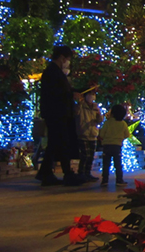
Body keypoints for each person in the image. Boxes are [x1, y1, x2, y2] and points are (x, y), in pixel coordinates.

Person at [37, 46, 83, 186]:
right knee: (61, 142)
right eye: (68, 59)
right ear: (62, 57)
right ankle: (66, 174)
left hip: (58, 113)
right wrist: (71, 95)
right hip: (56, 113)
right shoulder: (52, 72)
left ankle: (46, 173)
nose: (68, 62)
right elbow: (56, 93)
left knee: (56, 143)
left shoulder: (55, 72)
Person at [74, 86, 102, 182]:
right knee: (85, 155)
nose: (92, 97)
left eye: (93, 95)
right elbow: (76, 113)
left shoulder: (95, 107)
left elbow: (99, 120)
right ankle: (81, 173)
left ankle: (87, 173)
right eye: (90, 94)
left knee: (91, 156)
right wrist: (79, 102)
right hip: (83, 133)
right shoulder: (81, 106)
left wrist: (99, 115)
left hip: (93, 134)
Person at [99, 104, 130, 187]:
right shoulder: (123, 124)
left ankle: (105, 180)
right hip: (117, 146)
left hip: (107, 146)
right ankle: (119, 180)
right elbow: (127, 135)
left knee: (106, 164)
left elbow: (101, 134)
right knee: (118, 164)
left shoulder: (107, 123)